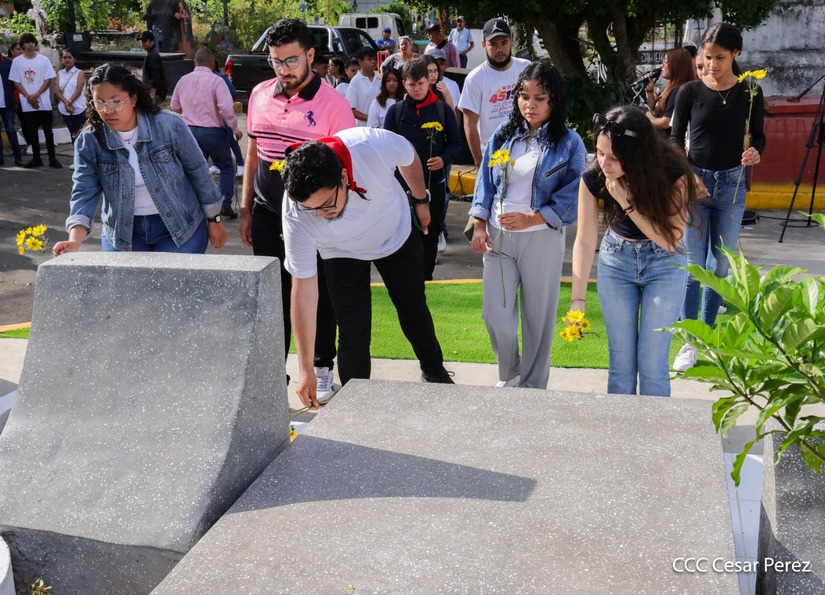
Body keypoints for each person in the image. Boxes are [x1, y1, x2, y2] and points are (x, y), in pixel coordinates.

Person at [282, 129, 455, 408]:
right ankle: (356, 404)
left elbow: (409, 156)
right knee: (353, 330)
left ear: (343, 177)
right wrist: (304, 369)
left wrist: (420, 199)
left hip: (394, 235)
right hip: (339, 252)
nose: (321, 214)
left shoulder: (371, 144)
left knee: (413, 308)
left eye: (326, 205)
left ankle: (434, 370)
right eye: (310, 209)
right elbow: (303, 292)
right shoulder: (294, 211)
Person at [240, 18, 355, 400]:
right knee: (272, 295)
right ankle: (276, 375)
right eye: (275, 61)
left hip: (313, 217)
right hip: (267, 211)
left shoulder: (334, 106)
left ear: (310, 55)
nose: (282, 70)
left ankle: (321, 367)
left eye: (290, 61)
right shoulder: (258, 95)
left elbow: (343, 171)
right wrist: (245, 207)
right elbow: (254, 151)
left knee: (315, 290)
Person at [470, 62, 586, 389]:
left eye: (539, 98)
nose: (529, 105)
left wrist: (531, 218)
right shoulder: (504, 135)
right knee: (495, 315)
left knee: (538, 321)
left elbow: (573, 192)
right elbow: (485, 182)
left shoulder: (569, 143)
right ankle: (511, 373)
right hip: (498, 239)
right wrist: (480, 224)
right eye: (524, 96)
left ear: (554, 102)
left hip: (541, 239)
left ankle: (533, 386)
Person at [571, 107, 699, 397]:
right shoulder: (593, 177)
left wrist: (626, 203)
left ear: (637, 155)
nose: (604, 163)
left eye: (614, 157)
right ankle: (622, 439)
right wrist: (577, 300)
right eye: (600, 153)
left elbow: (671, 240)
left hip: (665, 264)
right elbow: (584, 240)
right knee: (621, 367)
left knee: (653, 366)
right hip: (617, 261)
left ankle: (655, 439)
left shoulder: (673, 172)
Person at [670, 22, 766, 373]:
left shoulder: (750, 92)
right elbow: (673, 140)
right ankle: (688, 343)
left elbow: (759, 136)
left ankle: (708, 340)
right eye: (706, 57)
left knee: (720, 266)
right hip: (695, 185)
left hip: (732, 185)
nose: (711, 64)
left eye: (719, 58)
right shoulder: (689, 92)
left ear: (736, 54)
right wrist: (689, 176)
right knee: (693, 267)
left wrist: (755, 151)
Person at [52, 64, 226, 256]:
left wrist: (214, 219)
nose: (107, 110)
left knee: (171, 284)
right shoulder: (90, 140)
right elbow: (84, 190)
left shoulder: (169, 126)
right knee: (129, 286)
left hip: (180, 229)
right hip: (123, 233)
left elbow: (199, 173)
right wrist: (74, 240)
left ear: (133, 98)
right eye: (99, 102)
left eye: (115, 101)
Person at [384, 58, 461, 280]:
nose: (417, 89)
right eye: (411, 84)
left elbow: (456, 144)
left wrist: (443, 159)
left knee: (430, 234)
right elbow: (386, 150)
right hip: (402, 188)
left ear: (429, 81)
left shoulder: (442, 110)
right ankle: (407, 279)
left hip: (433, 185)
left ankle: (427, 277)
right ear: (403, 84)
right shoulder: (395, 112)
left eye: (421, 83)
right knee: (404, 236)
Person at [171, 47, 243, 219]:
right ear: (212, 63)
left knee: (193, 167)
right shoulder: (217, 81)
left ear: (195, 62)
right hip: (212, 131)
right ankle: (225, 205)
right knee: (226, 166)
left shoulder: (183, 80)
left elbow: (174, 106)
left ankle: (192, 204)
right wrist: (236, 130)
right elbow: (226, 109)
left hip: (188, 130)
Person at [458, 18, 530, 168]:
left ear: (511, 41)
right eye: (493, 44)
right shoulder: (475, 79)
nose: (499, 50)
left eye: (504, 43)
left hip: (527, 153)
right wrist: (479, 162)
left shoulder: (527, 69)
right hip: (492, 158)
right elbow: (469, 124)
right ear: (484, 44)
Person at [9, 33, 60, 168]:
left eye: (32, 42)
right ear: (22, 45)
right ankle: (36, 158)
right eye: (27, 42)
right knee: (32, 131)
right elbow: (16, 82)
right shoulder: (17, 62)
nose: (30, 44)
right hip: (27, 103)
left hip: (43, 101)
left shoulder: (43, 60)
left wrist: (36, 95)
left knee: (48, 131)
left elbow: (48, 79)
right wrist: (28, 97)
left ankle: (52, 157)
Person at [644, 48, 696, 136]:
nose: (662, 66)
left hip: (669, 143)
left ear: (677, 65)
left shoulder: (678, 90)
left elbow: (665, 123)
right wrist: (649, 89)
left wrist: (641, 119)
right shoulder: (670, 87)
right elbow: (653, 110)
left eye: (665, 61)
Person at [213, 62, 245, 178]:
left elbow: (232, 92)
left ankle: (240, 164)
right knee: (215, 142)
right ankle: (216, 164)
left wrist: (225, 101)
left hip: (222, 114)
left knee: (230, 139)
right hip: (210, 116)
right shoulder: (198, 78)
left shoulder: (220, 78)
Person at [54, 48, 87, 144]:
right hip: (65, 109)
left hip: (78, 107)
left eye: (70, 57)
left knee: (80, 133)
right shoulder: (59, 73)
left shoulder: (79, 73)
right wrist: (66, 104)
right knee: (72, 132)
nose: (67, 60)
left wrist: (69, 103)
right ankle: (76, 155)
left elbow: (78, 91)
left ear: (75, 59)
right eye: (65, 57)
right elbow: (58, 91)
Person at [0, 42, 24, 166]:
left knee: (10, 129)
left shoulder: (7, 63)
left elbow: (13, 83)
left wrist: (12, 98)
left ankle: (17, 156)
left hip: (7, 103)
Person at [346, 47, 381, 126]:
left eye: (374, 59)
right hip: (362, 128)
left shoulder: (381, 78)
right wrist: (371, 118)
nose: (373, 62)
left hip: (380, 128)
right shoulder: (355, 81)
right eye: (369, 59)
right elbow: (351, 110)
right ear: (360, 62)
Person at [140, 31, 167, 102]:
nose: (142, 43)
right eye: (141, 41)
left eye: (145, 41)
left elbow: (155, 75)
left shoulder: (153, 56)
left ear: (152, 42)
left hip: (156, 93)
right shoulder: (151, 54)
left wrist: (152, 94)